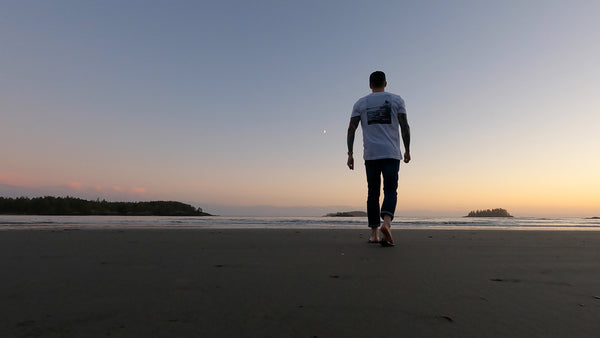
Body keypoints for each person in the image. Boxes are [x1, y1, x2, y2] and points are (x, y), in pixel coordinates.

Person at [347, 71, 411, 247]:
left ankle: (374, 234)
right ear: (385, 82)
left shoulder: (360, 103)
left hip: (371, 155)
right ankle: (387, 224)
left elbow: (351, 129)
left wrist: (350, 154)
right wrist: (407, 150)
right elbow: (405, 126)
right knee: (390, 189)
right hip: (391, 152)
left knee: (373, 193)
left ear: (370, 85)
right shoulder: (397, 100)